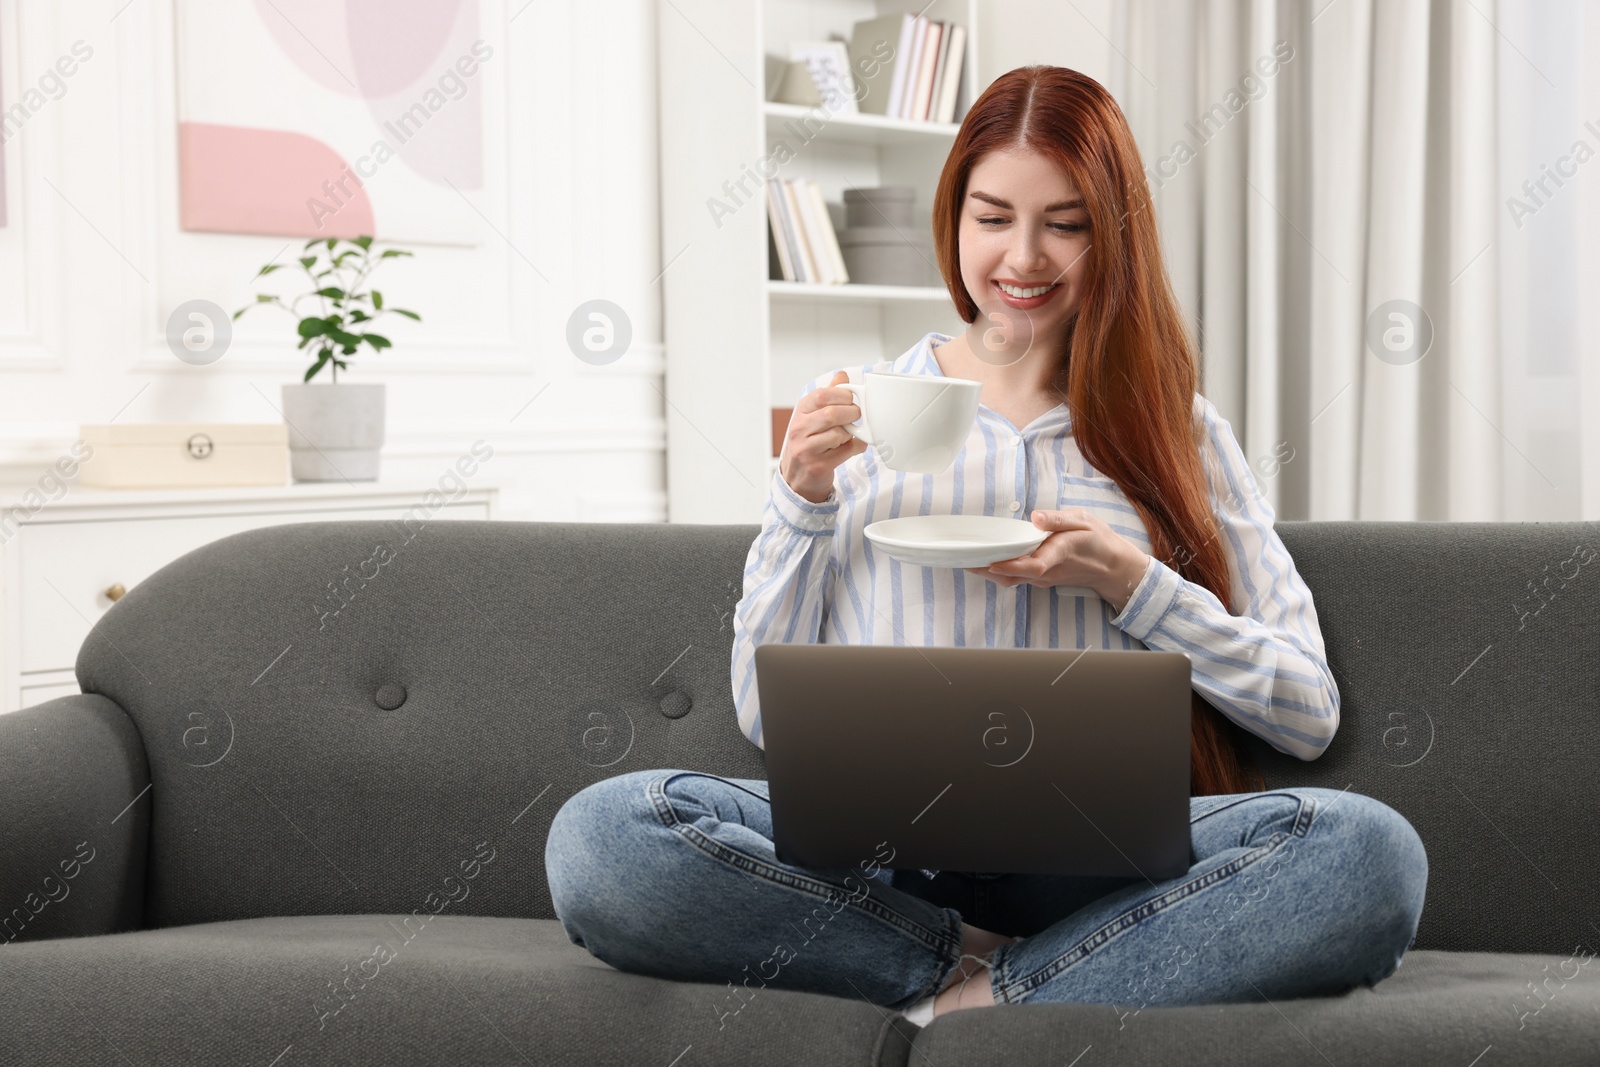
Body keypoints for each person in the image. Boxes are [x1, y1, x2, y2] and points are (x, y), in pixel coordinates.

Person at [545, 65, 1427, 1025]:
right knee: (604, 837)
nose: (1024, 257)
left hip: (1105, 870)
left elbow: (1307, 711)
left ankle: (986, 991)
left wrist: (1136, 585)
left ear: (1113, 233)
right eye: (993, 216)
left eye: (1067, 222)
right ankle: (977, 965)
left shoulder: (1180, 429)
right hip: (886, 867)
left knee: (1367, 853)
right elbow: (766, 720)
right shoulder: (864, 418)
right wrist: (799, 496)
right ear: (953, 217)